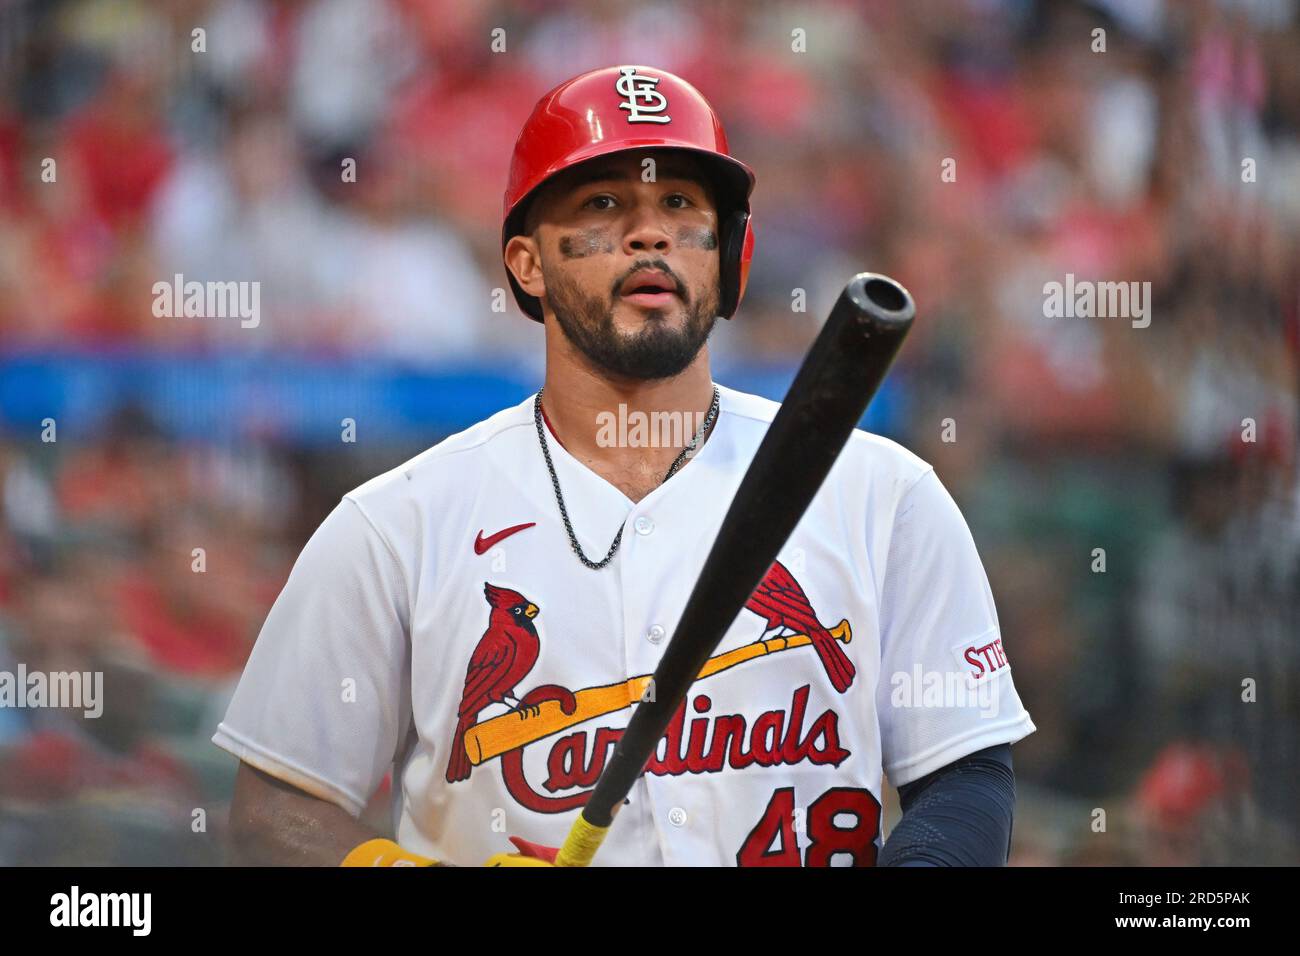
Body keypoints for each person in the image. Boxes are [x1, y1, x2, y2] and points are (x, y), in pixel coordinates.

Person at [214, 65, 1035, 867]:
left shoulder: (878, 494)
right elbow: (277, 807)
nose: (650, 232)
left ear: (731, 258)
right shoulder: (397, 525)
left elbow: (964, 779)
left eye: (680, 204)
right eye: (604, 204)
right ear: (527, 263)